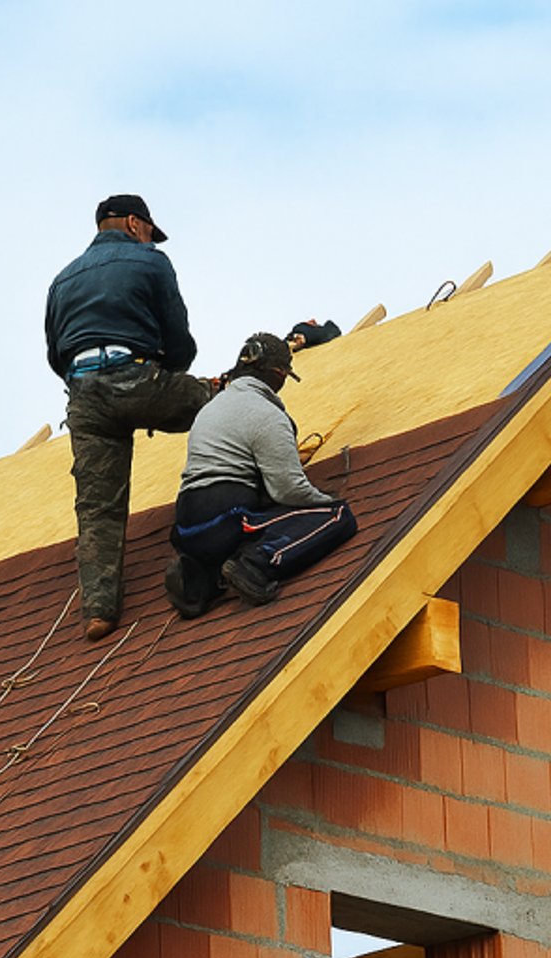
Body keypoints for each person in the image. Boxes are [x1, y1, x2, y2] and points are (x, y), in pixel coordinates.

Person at [45, 194, 211, 641]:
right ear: (136, 224)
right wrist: (173, 379)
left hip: (84, 394)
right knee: (215, 405)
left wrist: (88, 382)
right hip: (134, 375)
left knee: (98, 508)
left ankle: (99, 611)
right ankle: (271, 458)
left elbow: (54, 352)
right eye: (148, 231)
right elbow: (178, 338)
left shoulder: (62, 280)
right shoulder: (151, 261)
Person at [164, 332, 356, 618]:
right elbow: (287, 490)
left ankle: (200, 579)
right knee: (338, 516)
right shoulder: (267, 415)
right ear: (278, 374)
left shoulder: (210, 409)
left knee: (251, 526)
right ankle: (256, 564)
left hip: (187, 529)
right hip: (230, 517)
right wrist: (323, 499)